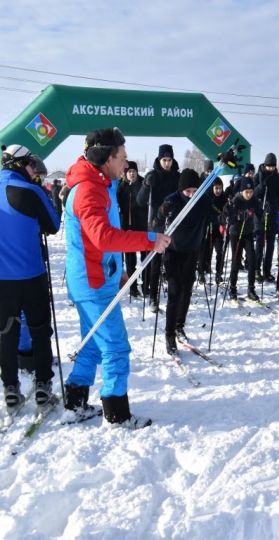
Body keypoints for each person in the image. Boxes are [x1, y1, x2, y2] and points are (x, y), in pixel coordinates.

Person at [64, 128, 171, 428]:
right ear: (106, 158)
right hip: (91, 281)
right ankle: (117, 414)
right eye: (121, 158)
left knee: (93, 343)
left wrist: (119, 266)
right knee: (115, 347)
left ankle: (74, 401)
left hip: (99, 275)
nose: (126, 164)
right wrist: (150, 239)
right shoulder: (87, 190)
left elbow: (105, 234)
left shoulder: (102, 183)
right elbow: (102, 236)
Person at [0, 145, 60, 411]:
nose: (34, 170)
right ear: (19, 164)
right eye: (31, 165)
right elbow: (54, 225)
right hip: (32, 273)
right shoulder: (31, 190)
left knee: (6, 333)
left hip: (3, 279)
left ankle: (10, 388)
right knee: (39, 330)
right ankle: (43, 386)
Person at [159, 169, 211, 354]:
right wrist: (162, 212)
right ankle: (169, 334)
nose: (190, 195)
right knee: (174, 293)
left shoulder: (202, 200)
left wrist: (225, 214)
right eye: (187, 191)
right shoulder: (172, 200)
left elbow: (214, 215)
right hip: (173, 251)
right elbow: (157, 219)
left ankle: (180, 325)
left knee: (187, 290)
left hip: (192, 250)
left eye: (194, 191)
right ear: (181, 190)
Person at [137, 144, 180, 313]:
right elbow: (140, 201)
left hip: (174, 224)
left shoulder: (177, 176)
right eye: (164, 160)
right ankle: (153, 297)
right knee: (155, 264)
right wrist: (146, 185)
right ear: (159, 159)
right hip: (156, 224)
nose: (167, 163)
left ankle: (172, 296)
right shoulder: (152, 175)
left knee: (171, 263)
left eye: (169, 160)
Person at [225, 176, 262, 302]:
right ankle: (233, 288)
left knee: (252, 260)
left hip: (248, 233)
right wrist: (238, 216)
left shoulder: (254, 200)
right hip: (236, 234)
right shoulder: (236, 200)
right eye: (247, 192)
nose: (249, 194)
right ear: (241, 191)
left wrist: (265, 211)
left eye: (251, 192)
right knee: (236, 261)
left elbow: (260, 213)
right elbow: (229, 218)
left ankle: (251, 289)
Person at [117, 161, 149, 298]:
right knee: (130, 260)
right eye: (129, 172)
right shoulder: (121, 187)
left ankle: (145, 285)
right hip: (127, 228)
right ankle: (133, 287)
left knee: (145, 258)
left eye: (134, 172)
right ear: (126, 173)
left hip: (142, 226)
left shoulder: (143, 184)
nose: (132, 174)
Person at [253, 153, 279, 283]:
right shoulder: (258, 176)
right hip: (260, 214)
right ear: (265, 164)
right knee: (260, 244)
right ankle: (256, 270)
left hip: (272, 213)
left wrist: (276, 205)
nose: (270, 168)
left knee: (270, 245)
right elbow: (253, 194)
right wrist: (262, 186)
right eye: (268, 166)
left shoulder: (278, 177)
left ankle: (267, 270)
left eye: (273, 166)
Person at [198, 178, 227, 284]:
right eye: (216, 188)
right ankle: (201, 273)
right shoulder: (207, 197)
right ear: (212, 188)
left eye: (220, 188)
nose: (218, 190)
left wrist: (223, 223)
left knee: (220, 251)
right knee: (204, 250)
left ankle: (219, 274)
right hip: (207, 227)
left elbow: (225, 213)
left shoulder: (224, 198)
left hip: (218, 228)